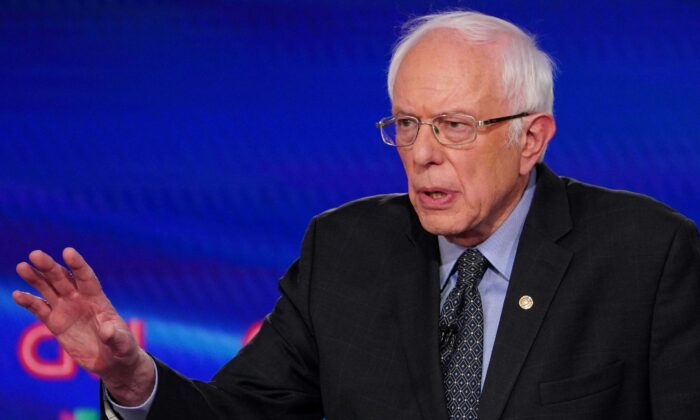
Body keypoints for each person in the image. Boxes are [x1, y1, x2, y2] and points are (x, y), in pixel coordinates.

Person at [12, 10, 700, 420]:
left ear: (533, 139)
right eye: (406, 124)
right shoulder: (344, 251)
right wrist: (133, 382)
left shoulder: (646, 254)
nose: (422, 154)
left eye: (454, 126)